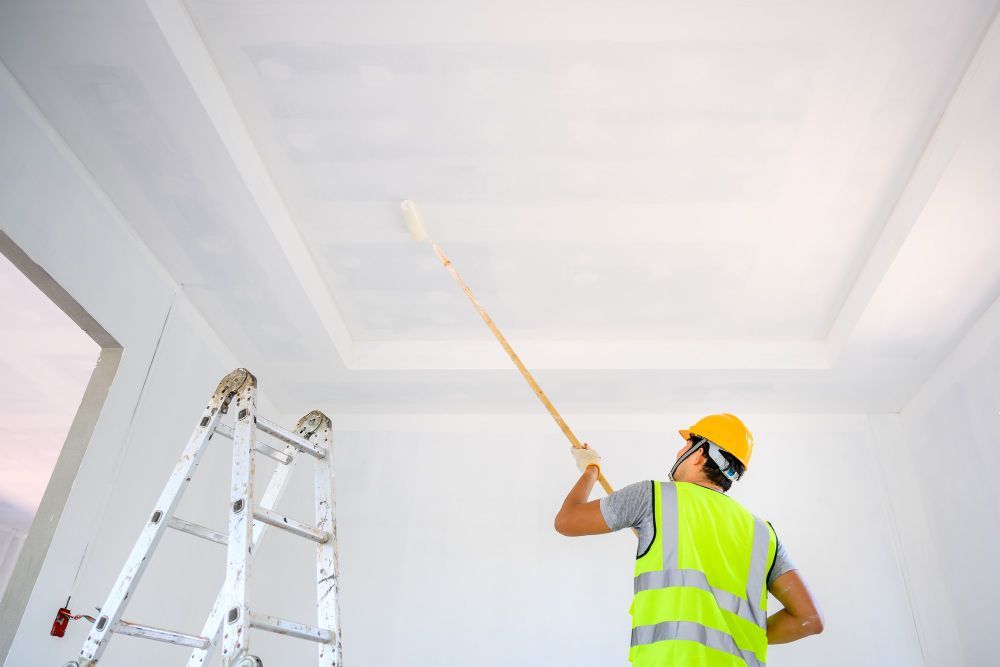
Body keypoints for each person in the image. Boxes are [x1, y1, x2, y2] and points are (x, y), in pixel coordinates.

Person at [554, 413, 823, 666]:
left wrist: (591, 469)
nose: (679, 452)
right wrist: (737, 637)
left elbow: (567, 520)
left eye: (686, 445)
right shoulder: (763, 533)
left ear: (700, 455)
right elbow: (810, 619)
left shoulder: (653, 497)